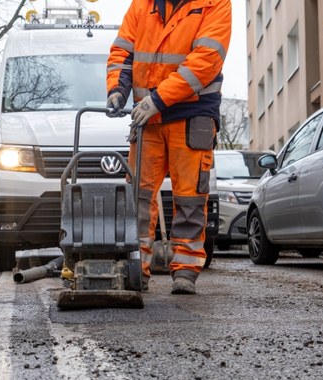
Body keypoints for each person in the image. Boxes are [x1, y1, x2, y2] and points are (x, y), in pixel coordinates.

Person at [106, 0, 232, 294]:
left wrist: (158, 99)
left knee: (190, 197)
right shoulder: (143, 5)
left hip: (191, 115)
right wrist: (117, 89)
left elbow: (206, 60)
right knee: (138, 195)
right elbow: (122, 53)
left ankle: (186, 269)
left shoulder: (215, 5)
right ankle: (136, 266)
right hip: (148, 117)